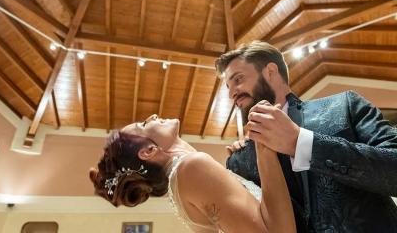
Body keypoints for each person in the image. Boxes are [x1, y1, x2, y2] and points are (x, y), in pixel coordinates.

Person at [217, 41, 397, 233]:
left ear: (270, 71)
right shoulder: (238, 160)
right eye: (228, 87)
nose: (231, 94)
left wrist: (301, 143)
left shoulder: (344, 106)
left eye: (238, 79)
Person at [90, 113, 296, 233]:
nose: (152, 116)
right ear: (148, 151)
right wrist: (265, 148)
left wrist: (244, 167)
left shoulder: (184, 178)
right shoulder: (192, 167)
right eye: (144, 125)